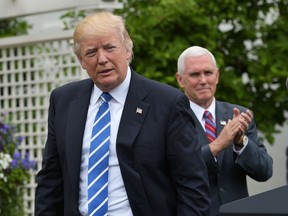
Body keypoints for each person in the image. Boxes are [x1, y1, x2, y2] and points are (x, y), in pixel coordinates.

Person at [35, 12, 211, 216]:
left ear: (128, 49)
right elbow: (51, 180)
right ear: (81, 60)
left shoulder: (167, 103)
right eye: (91, 52)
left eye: (110, 48)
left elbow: (192, 185)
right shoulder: (63, 100)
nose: (102, 59)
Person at [176, 46, 273, 216]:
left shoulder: (239, 115)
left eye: (208, 72)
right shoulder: (171, 118)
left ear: (217, 76)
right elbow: (176, 171)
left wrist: (241, 143)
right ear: (180, 79)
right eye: (195, 74)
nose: (203, 80)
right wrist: (219, 144)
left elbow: (265, 171)